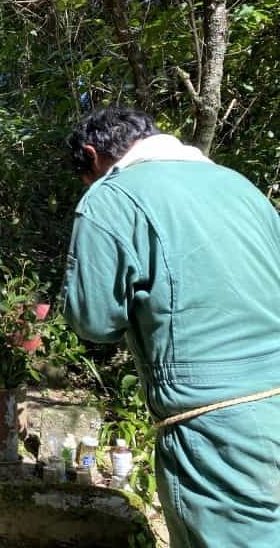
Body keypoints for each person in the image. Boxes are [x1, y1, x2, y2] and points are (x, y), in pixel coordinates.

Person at [61, 106, 280, 547]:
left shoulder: (111, 198)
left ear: (91, 155)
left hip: (217, 425)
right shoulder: (241, 187)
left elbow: (93, 320)